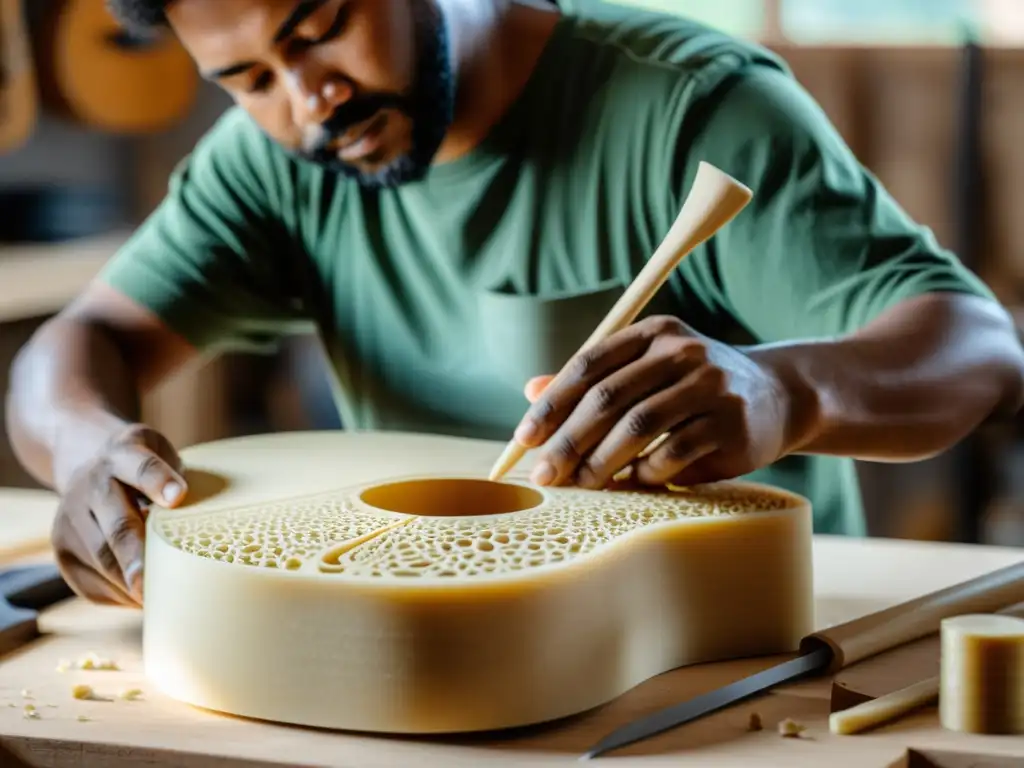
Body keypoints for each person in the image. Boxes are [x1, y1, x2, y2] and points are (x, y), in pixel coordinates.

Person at [5, 0, 1023, 608]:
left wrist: (784, 388)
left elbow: (978, 347)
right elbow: (77, 343)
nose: (311, 101)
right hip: (417, 637)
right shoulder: (272, 166)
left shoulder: (688, 107)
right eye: (247, 80)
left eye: (321, 28)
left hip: (723, 658)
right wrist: (86, 446)